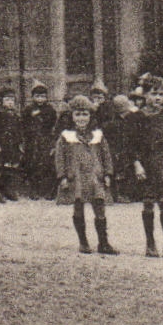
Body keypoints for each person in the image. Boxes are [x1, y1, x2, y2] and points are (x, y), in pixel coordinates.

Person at [53, 95, 117, 255]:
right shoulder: (66, 136)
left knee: (100, 207)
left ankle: (103, 242)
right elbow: (59, 158)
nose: (81, 118)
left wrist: (108, 173)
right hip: (76, 177)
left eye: (85, 114)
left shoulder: (98, 135)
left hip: (95, 177)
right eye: (78, 114)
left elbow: (106, 155)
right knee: (78, 206)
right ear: (72, 116)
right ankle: (83, 242)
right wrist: (62, 177)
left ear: (91, 116)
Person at [130, 77, 163, 257]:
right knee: (148, 202)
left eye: (161, 94)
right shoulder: (137, 117)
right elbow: (131, 143)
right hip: (146, 163)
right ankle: (150, 244)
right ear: (144, 95)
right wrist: (137, 164)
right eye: (154, 94)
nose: (158, 97)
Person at [19, 81, 58, 199]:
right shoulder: (28, 109)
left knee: (46, 164)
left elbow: (52, 124)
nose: (40, 99)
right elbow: (23, 124)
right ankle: (33, 190)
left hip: (45, 140)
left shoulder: (50, 109)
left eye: (42, 96)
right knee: (32, 164)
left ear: (46, 98)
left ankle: (46, 191)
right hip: (32, 140)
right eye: (37, 96)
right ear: (33, 97)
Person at [0, 88, 24, 202]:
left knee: (10, 169)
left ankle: (7, 190)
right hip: (0, 145)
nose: (10, 102)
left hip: (12, 145)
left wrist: (20, 143)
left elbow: (19, 130)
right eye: (7, 99)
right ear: (1, 101)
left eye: (12, 100)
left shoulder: (15, 114)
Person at [103, 94, 139, 203]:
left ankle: (125, 194)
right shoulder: (117, 121)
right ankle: (121, 194)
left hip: (125, 149)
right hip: (121, 150)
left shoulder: (132, 118)